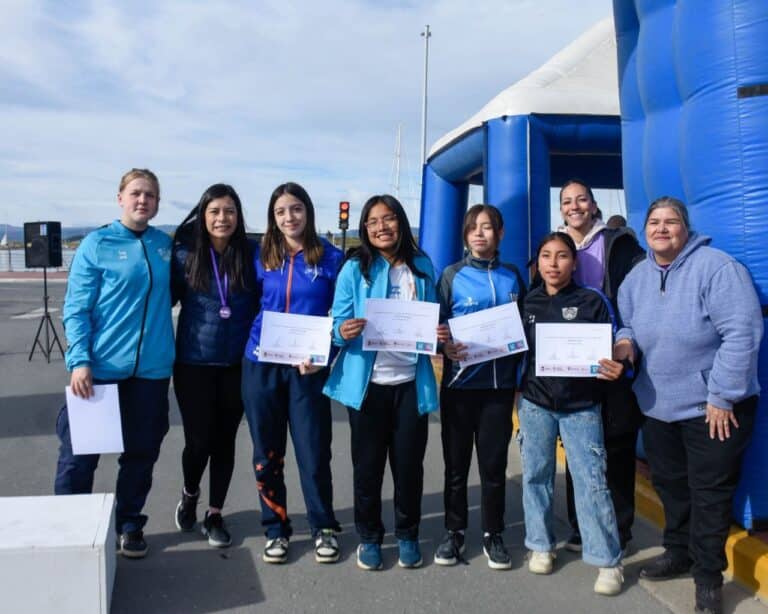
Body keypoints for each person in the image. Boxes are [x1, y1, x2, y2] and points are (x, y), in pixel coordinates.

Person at [614, 197, 762, 614]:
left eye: (671, 222)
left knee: (709, 495)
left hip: (713, 409)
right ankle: (679, 551)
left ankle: (708, 580)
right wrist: (624, 343)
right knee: (672, 488)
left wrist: (721, 395)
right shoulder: (636, 277)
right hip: (658, 406)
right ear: (644, 230)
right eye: (654, 222)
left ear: (686, 228)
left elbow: (742, 333)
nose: (661, 228)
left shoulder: (716, 268)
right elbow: (627, 324)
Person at [54, 168, 174, 558]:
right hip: (99, 371)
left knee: (141, 455)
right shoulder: (97, 243)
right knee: (79, 458)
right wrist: (80, 360)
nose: (143, 201)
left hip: (151, 374)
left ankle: (128, 524)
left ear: (157, 203)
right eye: (136, 193)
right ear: (120, 197)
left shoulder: (164, 245)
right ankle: (70, 527)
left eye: (151, 195)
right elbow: (76, 308)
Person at [323, 194, 440, 571]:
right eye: (373, 222)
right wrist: (343, 330)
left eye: (388, 219)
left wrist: (438, 334)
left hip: (410, 383)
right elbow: (336, 324)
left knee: (409, 467)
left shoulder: (422, 266)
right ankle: (370, 537)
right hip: (367, 385)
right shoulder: (355, 268)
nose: (381, 227)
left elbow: (434, 317)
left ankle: (407, 534)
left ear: (400, 222)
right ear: (364, 228)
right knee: (368, 468)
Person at [518, 231, 625, 596]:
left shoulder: (592, 301)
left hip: (582, 406)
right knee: (536, 475)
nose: (553, 263)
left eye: (561, 256)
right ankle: (540, 544)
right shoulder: (527, 302)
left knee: (591, 481)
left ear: (574, 262)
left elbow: (614, 345)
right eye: (546, 256)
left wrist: (616, 364)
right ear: (538, 262)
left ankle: (607, 560)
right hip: (536, 403)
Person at [241, 182, 343, 564]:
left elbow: (342, 315)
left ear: (308, 212)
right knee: (267, 452)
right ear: (273, 217)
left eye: (296, 209)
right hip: (261, 364)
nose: (289, 217)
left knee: (313, 452)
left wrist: (325, 355)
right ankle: (276, 528)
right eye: (281, 211)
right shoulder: (259, 256)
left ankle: (324, 527)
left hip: (307, 369)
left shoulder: (331, 258)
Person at [434, 204, 526, 569]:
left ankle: (493, 533)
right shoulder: (451, 275)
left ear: (500, 234)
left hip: (499, 390)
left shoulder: (513, 277)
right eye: (473, 227)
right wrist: (443, 343)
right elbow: (436, 324)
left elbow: (526, 326)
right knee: (455, 467)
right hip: (459, 387)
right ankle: (454, 532)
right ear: (465, 235)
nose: (480, 233)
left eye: (487, 227)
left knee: (493, 465)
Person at [558, 178, 644, 554]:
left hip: (611, 356)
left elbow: (638, 299)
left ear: (594, 206)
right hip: (569, 361)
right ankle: (581, 526)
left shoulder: (619, 245)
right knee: (577, 445)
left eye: (581, 200)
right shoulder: (553, 245)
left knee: (618, 446)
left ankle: (621, 530)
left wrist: (628, 340)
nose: (574, 206)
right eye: (566, 201)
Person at [171, 184, 259, 548]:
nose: (222, 218)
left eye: (229, 211)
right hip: (193, 363)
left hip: (236, 364)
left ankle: (215, 513)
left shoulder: (251, 254)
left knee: (225, 441)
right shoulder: (183, 256)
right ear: (203, 216)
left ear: (239, 217)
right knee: (198, 442)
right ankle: (190, 492)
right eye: (215, 212)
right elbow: (158, 302)